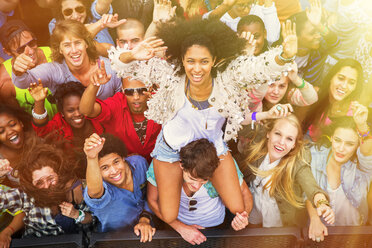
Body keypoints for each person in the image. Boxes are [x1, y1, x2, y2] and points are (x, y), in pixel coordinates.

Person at [108, 18, 298, 223]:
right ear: (182, 59)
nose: (196, 69)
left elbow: (259, 68)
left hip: (211, 147)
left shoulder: (228, 77)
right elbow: (121, 65)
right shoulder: (170, 75)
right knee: (169, 214)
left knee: (237, 206)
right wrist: (132, 54)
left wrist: (284, 55)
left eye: (204, 61)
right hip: (172, 149)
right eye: (191, 61)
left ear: (215, 60)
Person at [147, 139, 253, 245]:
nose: (197, 186)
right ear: (182, 165)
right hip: (176, 231)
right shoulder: (164, 164)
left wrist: (244, 215)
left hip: (217, 229)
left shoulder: (222, 164)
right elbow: (152, 200)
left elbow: (245, 192)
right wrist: (180, 228)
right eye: (192, 179)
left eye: (204, 181)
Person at [240, 114, 334, 229]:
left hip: (277, 224)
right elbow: (239, 120)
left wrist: (322, 203)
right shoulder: (258, 148)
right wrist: (266, 113)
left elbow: (312, 187)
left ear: (294, 144)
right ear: (268, 133)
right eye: (278, 134)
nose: (281, 142)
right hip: (255, 210)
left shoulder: (297, 164)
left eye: (289, 139)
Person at [307, 105, 372, 242]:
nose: (341, 149)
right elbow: (307, 191)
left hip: (352, 236)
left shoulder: (362, 167)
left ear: (358, 145)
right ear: (331, 137)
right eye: (337, 140)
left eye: (349, 144)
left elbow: (367, 152)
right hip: (321, 234)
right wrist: (314, 218)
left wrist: (362, 125)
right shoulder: (316, 156)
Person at [0, 142, 93, 237]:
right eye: (39, 183)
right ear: (31, 184)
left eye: (51, 179)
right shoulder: (25, 195)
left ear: (59, 174)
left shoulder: (74, 189)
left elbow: (93, 220)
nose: (47, 185)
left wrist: (77, 214)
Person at [12, 20, 122, 100]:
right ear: (60, 49)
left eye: (78, 43)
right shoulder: (55, 70)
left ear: (86, 44)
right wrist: (18, 70)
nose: (74, 50)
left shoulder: (109, 68)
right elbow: (24, 83)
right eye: (67, 45)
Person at [83, 133, 155, 242]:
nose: (114, 171)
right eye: (105, 168)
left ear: (123, 157)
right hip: (115, 241)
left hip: (148, 233)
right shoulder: (99, 186)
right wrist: (91, 158)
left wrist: (144, 219)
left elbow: (150, 195)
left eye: (116, 162)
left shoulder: (139, 164)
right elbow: (96, 193)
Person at [0, 20, 57, 118]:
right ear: (7, 52)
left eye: (32, 43)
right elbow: (20, 119)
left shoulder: (53, 55)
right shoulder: (4, 82)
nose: (30, 51)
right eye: (21, 49)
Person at [29, 80, 103, 149]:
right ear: (62, 112)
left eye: (80, 108)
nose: (77, 114)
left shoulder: (96, 114)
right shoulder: (58, 125)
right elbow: (42, 130)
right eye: (71, 110)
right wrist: (39, 102)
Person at [303, 59, 364, 141]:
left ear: (355, 87)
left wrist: (362, 125)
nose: (344, 86)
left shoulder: (354, 111)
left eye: (351, 82)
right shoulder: (315, 94)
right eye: (341, 78)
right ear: (331, 77)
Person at [288, 0, 340, 86]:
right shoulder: (283, 52)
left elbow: (336, 43)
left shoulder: (319, 50)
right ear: (296, 36)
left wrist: (319, 26)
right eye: (312, 33)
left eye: (318, 31)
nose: (318, 36)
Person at [203, 0, 280, 44]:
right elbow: (203, 26)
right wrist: (225, 6)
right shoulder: (220, 16)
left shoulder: (259, 11)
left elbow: (272, 39)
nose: (246, 10)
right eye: (241, 5)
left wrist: (269, 4)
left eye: (250, 3)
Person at [48, 0, 115, 45]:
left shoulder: (93, 14)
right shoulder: (54, 24)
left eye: (79, 9)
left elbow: (103, 4)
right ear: (61, 13)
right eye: (68, 12)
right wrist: (99, 24)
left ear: (86, 7)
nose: (75, 16)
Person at [0, 104, 35, 187]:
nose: (9, 132)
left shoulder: (36, 140)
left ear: (21, 123)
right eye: (1, 131)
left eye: (12, 125)